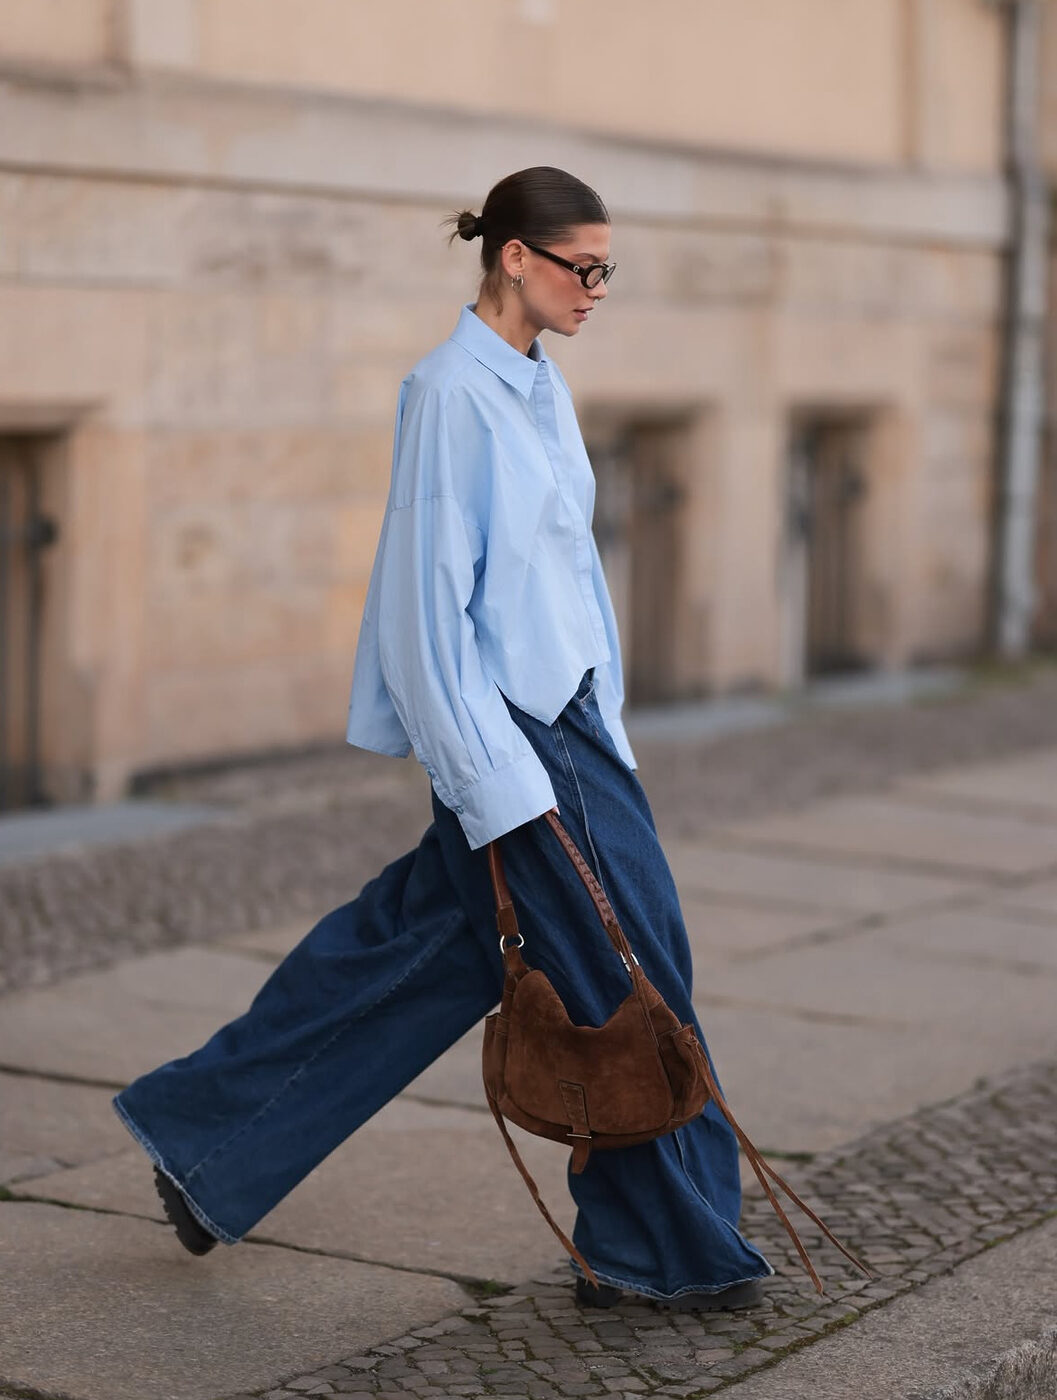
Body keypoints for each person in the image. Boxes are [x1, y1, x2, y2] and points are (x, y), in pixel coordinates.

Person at [113, 166, 773, 1311]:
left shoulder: (538, 384)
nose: (597, 288)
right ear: (514, 256)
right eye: (583, 267)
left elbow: (562, 576)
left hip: (571, 723)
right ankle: (661, 1246)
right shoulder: (447, 394)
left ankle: (203, 1135)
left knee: (424, 948)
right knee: (630, 975)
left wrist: (603, 716)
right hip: (519, 742)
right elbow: (423, 617)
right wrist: (494, 784)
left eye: (607, 269)